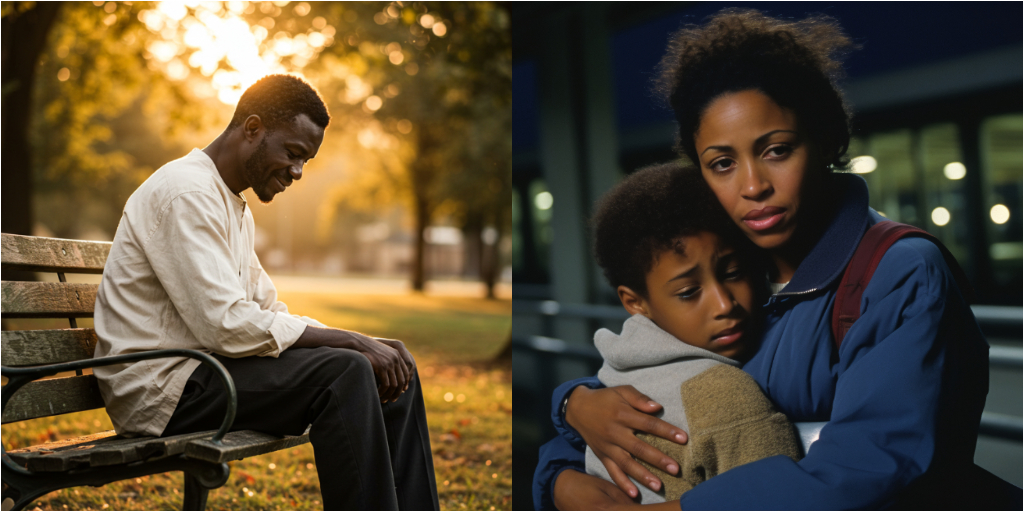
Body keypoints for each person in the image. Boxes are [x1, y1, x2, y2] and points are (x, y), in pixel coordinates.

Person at [533, 9, 991, 510]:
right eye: (723, 164)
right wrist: (571, 423)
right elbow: (651, 375)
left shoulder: (899, 272)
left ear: (826, 140)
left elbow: (869, 467)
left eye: (776, 150)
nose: (753, 187)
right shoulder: (727, 266)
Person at [93, 74, 440, 511]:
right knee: (345, 372)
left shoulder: (230, 203)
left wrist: (369, 345)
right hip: (163, 391)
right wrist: (352, 341)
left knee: (391, 371)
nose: (297, 172)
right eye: (293, 154)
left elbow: (266, 310)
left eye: (306, 162)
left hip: (205, 373)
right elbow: (226, 325)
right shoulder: (186, 193)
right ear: (252, 129)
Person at [584, 162, 802, 504]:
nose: (723, 304)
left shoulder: (612, 376)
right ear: (635, 302)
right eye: (688, 292)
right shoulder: (725, 395)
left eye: (732, 272)